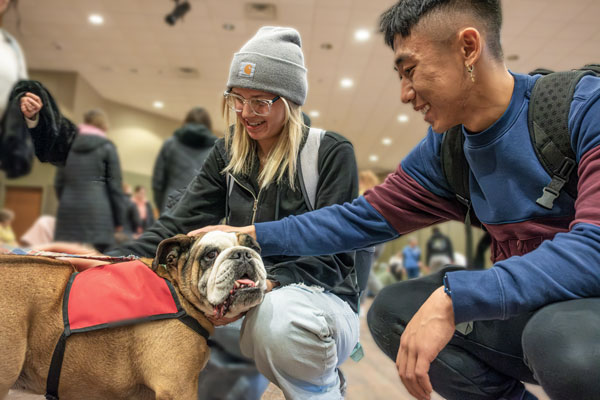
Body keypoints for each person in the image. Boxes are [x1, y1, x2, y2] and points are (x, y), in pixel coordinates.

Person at [198, 1, 600, 399]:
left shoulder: (582, 107)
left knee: (565, 343)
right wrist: (249, 235)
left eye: (411, 71)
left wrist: (454, 298)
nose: (405, 93)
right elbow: (358, 219)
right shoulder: (447, 150)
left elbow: (593, 248)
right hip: (534, 314)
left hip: (579, 323)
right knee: (394, 312)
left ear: (468, 48)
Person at [45, 27, 361, 399]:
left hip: (318, 299)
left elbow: (334, 258)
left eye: (260, 101)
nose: (245, 113)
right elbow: (179, 222)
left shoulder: (330, 153)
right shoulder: (227, 153)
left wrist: (264, 286)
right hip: (244, 294)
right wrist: (110, 260)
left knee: (273, 323)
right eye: (236, 99)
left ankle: (320, 384)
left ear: (290, 101)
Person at [53, 109, 125, 253]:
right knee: (100, 261)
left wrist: (66, 200)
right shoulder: (107, 147)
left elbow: (58, 183)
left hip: (68, 210)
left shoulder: (67, 145)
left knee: (64, 258)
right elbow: (115, 186)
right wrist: (119, 219)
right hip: (99, 211)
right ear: (103, 125)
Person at [152, 106, 217, 214]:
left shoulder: (170, 144)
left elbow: (158, 183)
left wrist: (162, 206)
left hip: (171, 206)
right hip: (202, 210)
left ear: (186, 122)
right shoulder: (215, 149)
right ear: (208, 126)